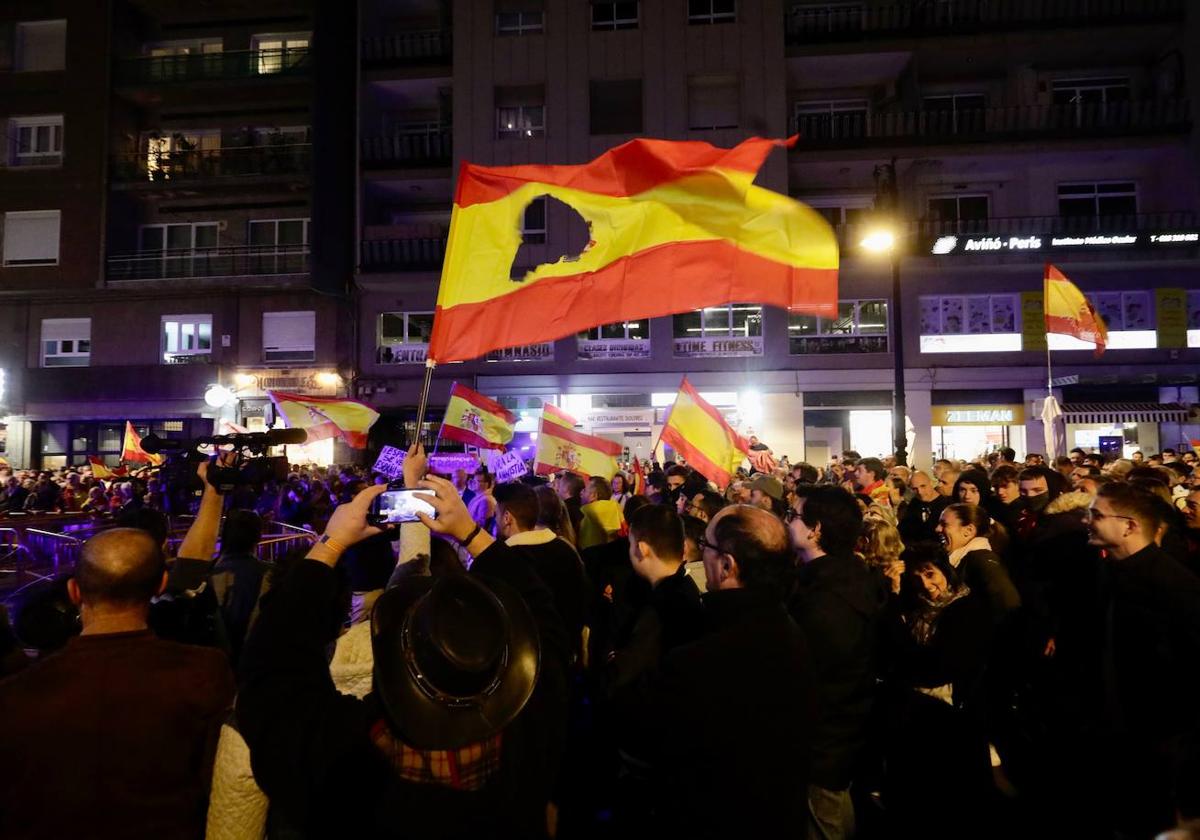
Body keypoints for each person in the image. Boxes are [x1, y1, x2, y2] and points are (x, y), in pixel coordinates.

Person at [237, 448, 571, 837]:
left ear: (391, 657)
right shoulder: (530, 728)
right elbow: (543, 619)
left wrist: (330, 543)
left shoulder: (338, 759)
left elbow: (271, 668)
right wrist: (472, 533)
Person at [0, 465, 235, 838]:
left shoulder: (18, 691)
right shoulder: (203, 672)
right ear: (160, 583)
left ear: (76, 591)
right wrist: (214, 491)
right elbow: (193, 565)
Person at [612, 505, 817, 835]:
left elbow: (636, 724)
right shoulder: (790, 631)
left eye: (705, 546)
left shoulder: (703, 655)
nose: (699, 555)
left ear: (727, 566)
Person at [1076, 483, 1200, 837]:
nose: (1087, 521)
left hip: (1157, 735)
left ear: (1129, 526)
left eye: (1096, 515)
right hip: (1113, 727)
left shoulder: (1173, 585)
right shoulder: (1106, 572)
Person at [788, 485, 888, 838]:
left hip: (826, 742)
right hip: (836, 736)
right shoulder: (842, 577)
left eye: (794, 516)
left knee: (825, 822)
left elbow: (817, 675)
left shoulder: (828, 599)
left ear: (815, 529)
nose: (788, 522)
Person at [878, 543, 995, 837]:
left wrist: (905, 652)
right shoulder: (913, 604)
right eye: (916, 578)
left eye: (931, 574)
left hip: (953, 720)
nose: (926, 585)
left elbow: (937, 668)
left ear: (945, 570)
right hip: (920, 719)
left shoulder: (967, 608)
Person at [495, 480, 590, 663]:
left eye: (498, 513)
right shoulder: (567, 551)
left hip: (521, 666)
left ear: (507, 517)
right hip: (564, 659)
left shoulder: (503, 559)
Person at [936, 503, 1021, 624]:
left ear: (969, 530)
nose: (937, 529)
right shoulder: (964, 559)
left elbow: (1008, 603)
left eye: (944, 524)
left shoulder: (982, 561)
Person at [898, 470, 949, 544]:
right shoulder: (914, 503)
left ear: (931, 483)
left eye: (923, 486)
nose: (920, 492)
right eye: (914, 489)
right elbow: (903, 529)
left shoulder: (945, 505)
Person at [578, 475, 625, 550]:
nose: (581, 492)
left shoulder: (584, 513)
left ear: (593, 496)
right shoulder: (617, 510)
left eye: (585, 490)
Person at [557, 471, 586, 540]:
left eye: (560, 484)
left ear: (565, 488)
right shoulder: (582, 506)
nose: (558, 488)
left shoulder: (564, 511)